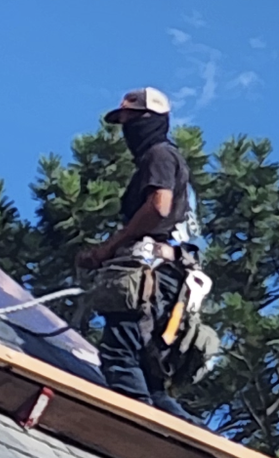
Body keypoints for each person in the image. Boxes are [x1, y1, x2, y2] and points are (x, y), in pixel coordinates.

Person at [75, 86, 198, 413]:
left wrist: (107, 248)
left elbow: (158, 208)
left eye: (131, 119)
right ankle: (180, 436)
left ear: (150, 120)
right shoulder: (170, 160)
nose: (126, 128)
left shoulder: (159, 154)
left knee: (119, 355)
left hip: (150, 274)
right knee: (150, 375)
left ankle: (136, 427)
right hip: (169, 277)